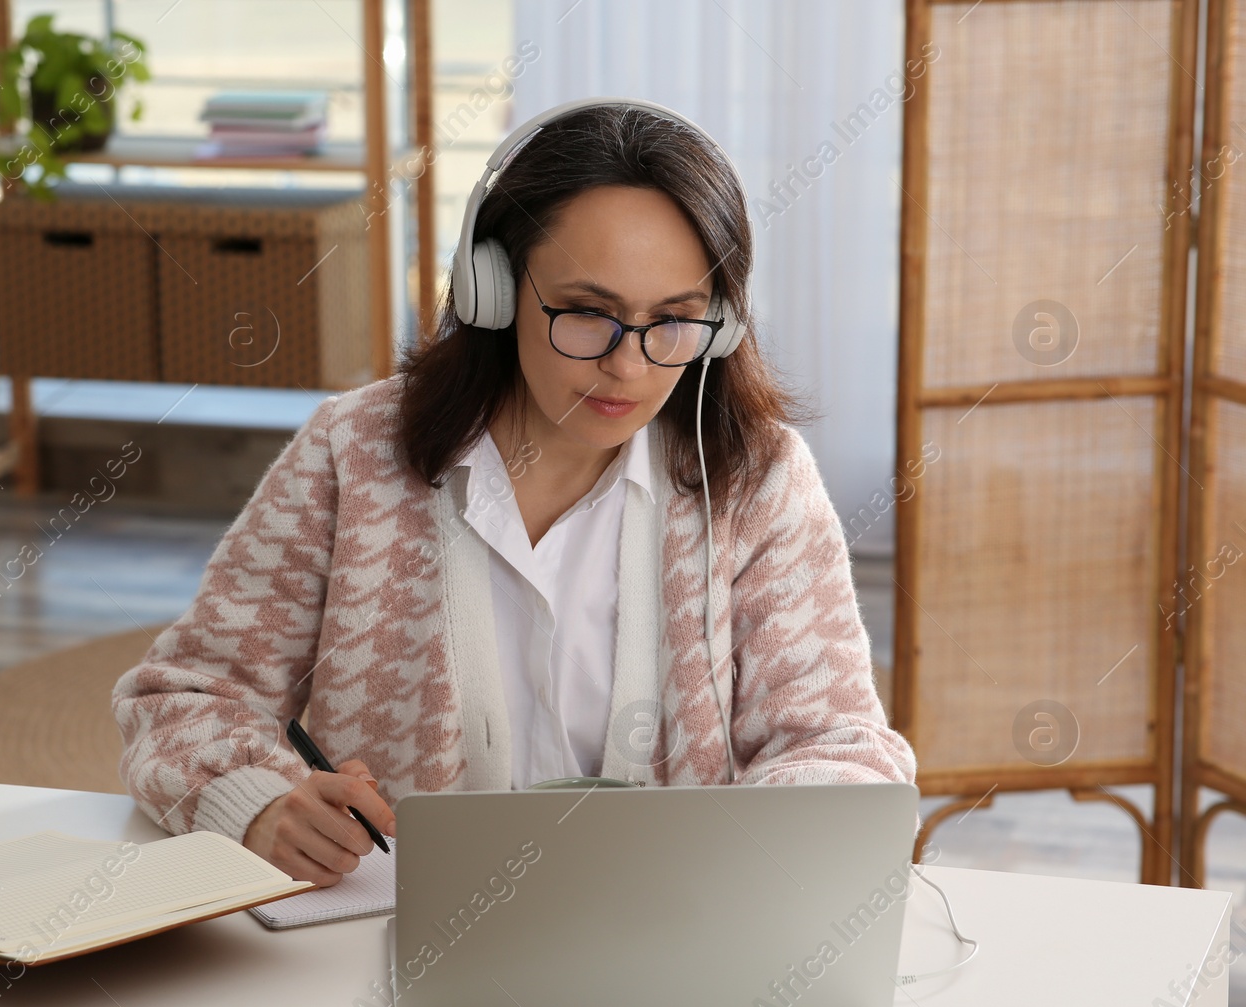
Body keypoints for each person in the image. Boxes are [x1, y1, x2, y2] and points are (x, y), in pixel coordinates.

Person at [113, 99, 915, 888]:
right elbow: (181, 700)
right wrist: (259, 802)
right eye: (586, 313)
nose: (629, 366)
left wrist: (732, 848)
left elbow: (843, 747)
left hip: (673, 939)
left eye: (674, 320)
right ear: (489, 289)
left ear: (725, 324)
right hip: (387, 938)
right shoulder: (350, 452)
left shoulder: (757, 477)